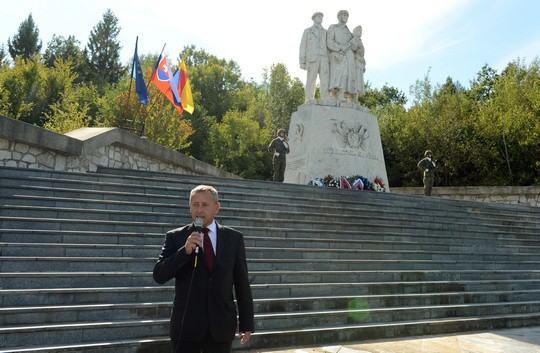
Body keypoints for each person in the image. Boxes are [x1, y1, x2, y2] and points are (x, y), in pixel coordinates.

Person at [153, 185, 255, 353]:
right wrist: (184, 252)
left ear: (217, 207)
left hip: (221, 327)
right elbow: (159, 275)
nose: (199, 210)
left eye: (204, 205)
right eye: (195, 204)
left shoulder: (234, 238)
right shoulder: (175, 237)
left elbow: (242, 282)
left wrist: (247, 322)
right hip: (186, 327)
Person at [326, 10, 356, 102]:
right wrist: (340, 48)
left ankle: (341, 94)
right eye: (344, 15)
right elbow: (329, 42)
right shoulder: (333, 27)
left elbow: (354, 46)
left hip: (347, 57)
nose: (346, 17)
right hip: (337, 55)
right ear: (339, 17)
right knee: (336, 76)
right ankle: (333, 94)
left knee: (345, 75)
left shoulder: (349, 32)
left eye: (347, 15)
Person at [299, 12, 330, 101]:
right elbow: (303, 46)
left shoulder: (325, 32)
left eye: (322, 17)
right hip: (312, 58)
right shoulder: (308, 31)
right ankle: (309, 97)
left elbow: (328, 46)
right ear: (314, 18)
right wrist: (302, 62)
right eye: (319, 16)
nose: (321, 18)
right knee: (311, 79)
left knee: (325, 79)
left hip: (324, 58)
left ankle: (325, 97)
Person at [350, 25, 366, 102]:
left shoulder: (360, 41)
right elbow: (353, 50)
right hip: (355, 62)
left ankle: (356, 98)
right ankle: (352, 96)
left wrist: (363, 62)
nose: (360, 33)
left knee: (359, 81)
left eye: (361, 31)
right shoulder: (353, 40)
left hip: (360, 63)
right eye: (358, 31)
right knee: (355, 80)